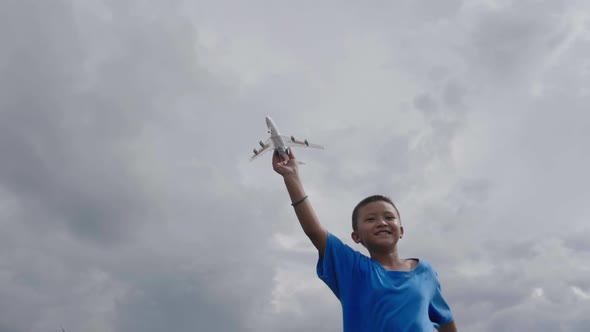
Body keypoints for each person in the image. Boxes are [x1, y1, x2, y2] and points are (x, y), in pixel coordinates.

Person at [272, 148, 458, 332]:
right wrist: (292, 177)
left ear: (401, 230)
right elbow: (314, 232)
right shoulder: (353, 269)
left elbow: (445, 320)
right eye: (370, 219)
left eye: (389, 217)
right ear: (356, 236)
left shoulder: (425, 272)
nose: (382, 223)